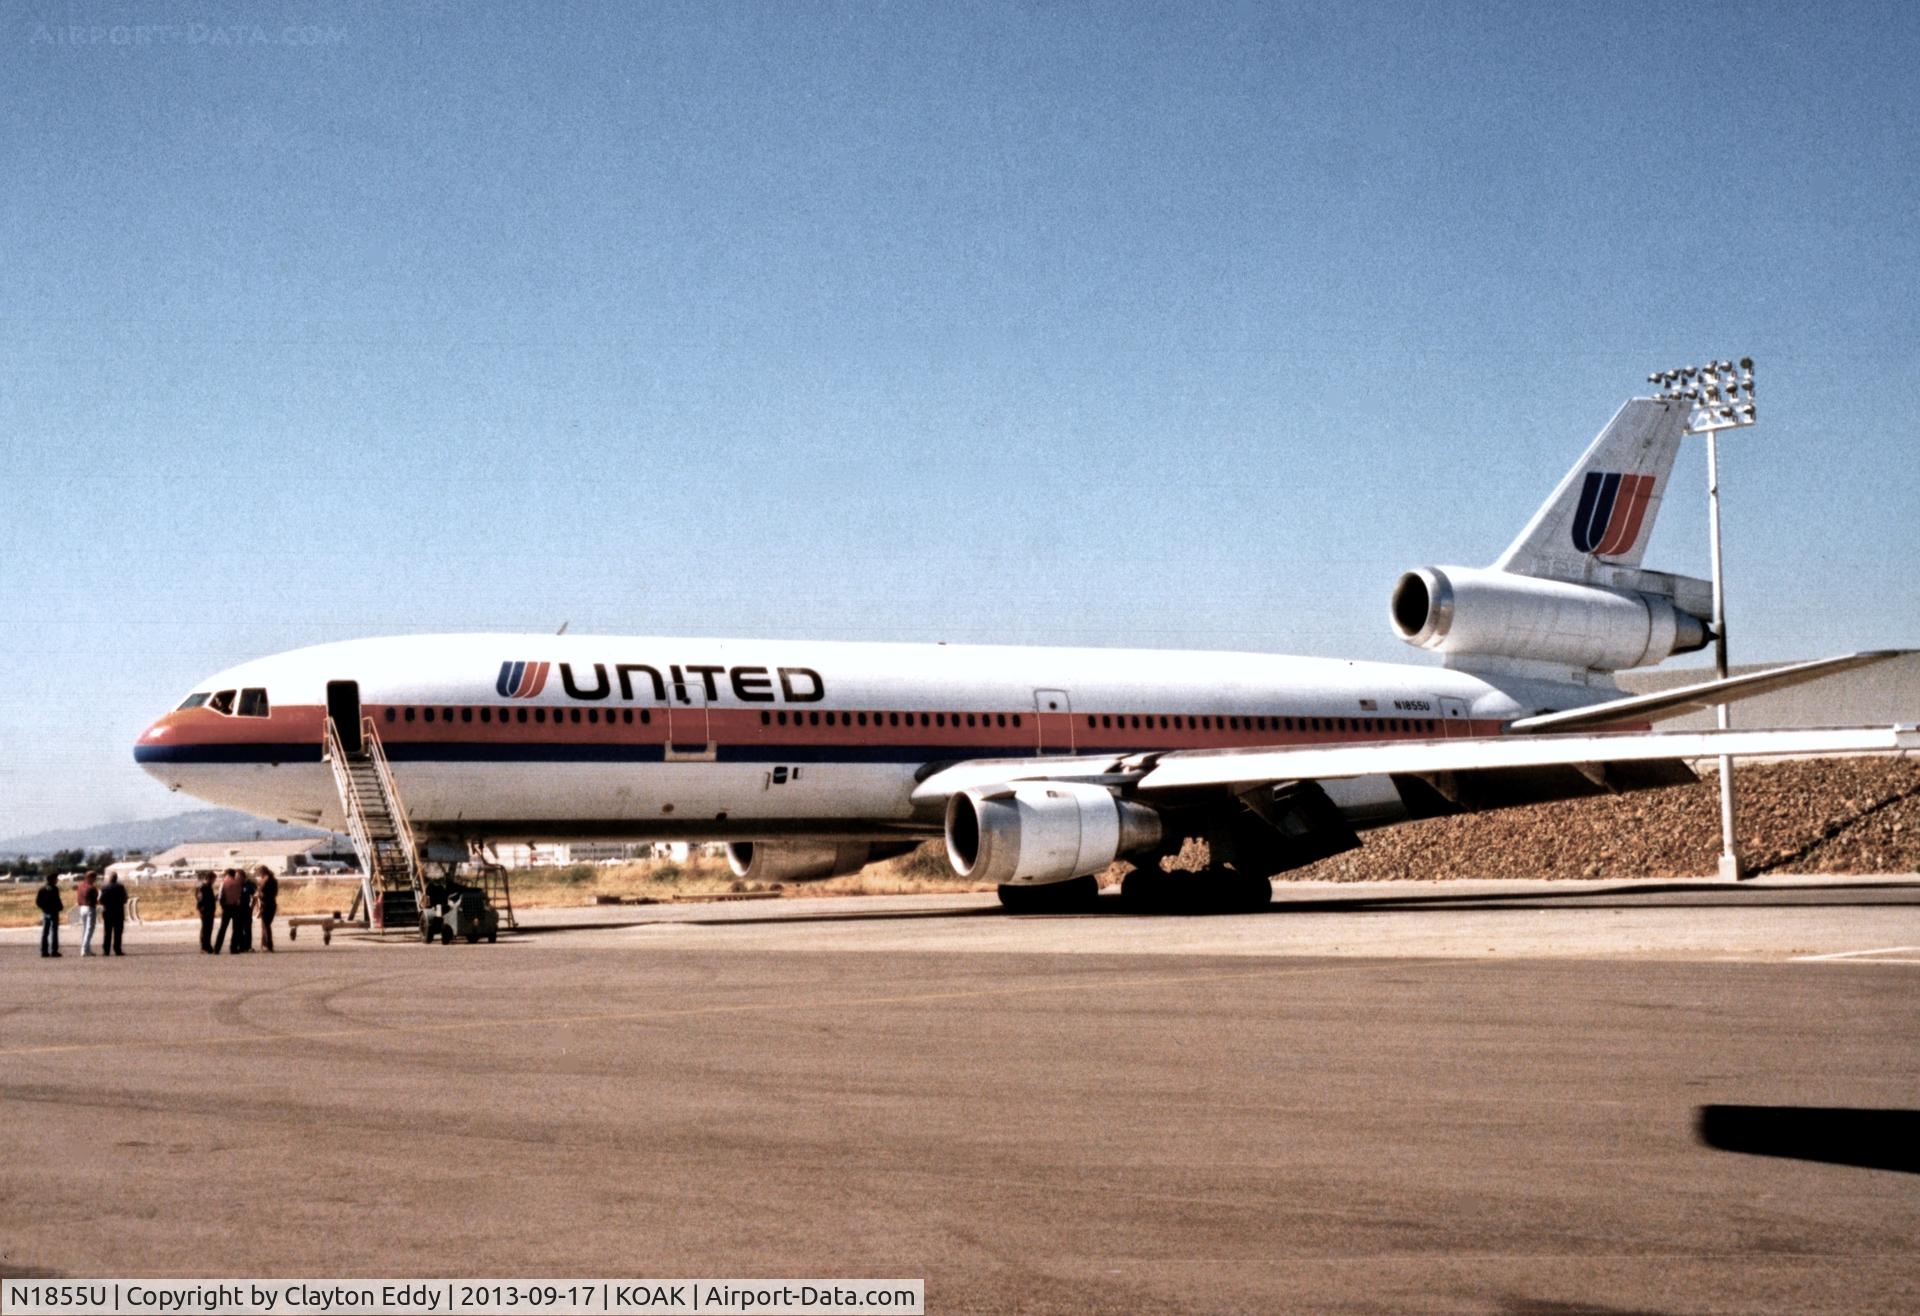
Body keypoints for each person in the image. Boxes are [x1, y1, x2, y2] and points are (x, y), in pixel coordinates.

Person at [214, 869, 244, 954]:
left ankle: (217, 948)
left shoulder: (224, 882)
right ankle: (233, 948)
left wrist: (222, 906)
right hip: (235, 907)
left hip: (226, 908)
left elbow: (220, 896)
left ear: (227, 874)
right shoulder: (238, 883)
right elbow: (239, 896)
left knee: (222, 929)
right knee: (236, 929)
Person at [99, 872, 129, 956]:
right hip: (118, 911)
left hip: (107, 911)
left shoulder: (104, 887)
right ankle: (117, 949)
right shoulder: (121, 887)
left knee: (107, 931)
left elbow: (100, 900)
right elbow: (125, 899)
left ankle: (106, 950)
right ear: (116, 878)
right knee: (118, 932)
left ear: (109, 878)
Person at [36, 874, 64, 957]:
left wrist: (44, 908)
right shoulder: (54, 889)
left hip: (45, 912)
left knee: (45, 932)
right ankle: (54, 950)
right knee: (54, 932)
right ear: (52, 879)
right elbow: (57, 899)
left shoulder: (42, 889)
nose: (57, 880)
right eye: (56, 879)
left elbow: (38, 901)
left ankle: (44, 951)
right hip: (53, 912)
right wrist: (60, 907)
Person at [254, 865, 279, 953]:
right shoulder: (274, 880)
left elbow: (261, 893)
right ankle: (265, 944)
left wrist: (257, 894)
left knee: (265, 925)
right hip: (272, 904)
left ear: (262, 873)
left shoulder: (264, 881)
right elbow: (275, 893)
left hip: (265, 904)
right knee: (266, 925)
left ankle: (268, 945)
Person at [75, 871, 100, 957]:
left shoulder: (80, 886)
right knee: (89, 930)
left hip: (82, 908)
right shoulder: (92, 888)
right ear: (90, 878)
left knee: (85, 929)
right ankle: (84, 949)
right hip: (90, 908)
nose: (95, 880)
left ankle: (87, 949)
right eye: (94, 878)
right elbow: (96, 899)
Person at [236, 869, 259, 952]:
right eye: (236, 876)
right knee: (238, 929)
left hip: (246, 909)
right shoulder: (234, 885)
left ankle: (248, 946)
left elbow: (256, 895)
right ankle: (241, 946)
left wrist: (253, 906)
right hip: (237, 910)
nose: (237, 878)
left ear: (243, 877)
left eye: (238, 876)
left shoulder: (249, 885)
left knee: (247, 929)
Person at [195, 872, 217, 953]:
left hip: (210, 910)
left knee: (209, 929)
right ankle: (204, 947)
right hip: (205, 911)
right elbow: (200, 899)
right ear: (208, 878)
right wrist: (200, 910)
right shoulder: (202, 887)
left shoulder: (208, 887)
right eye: (213, 879)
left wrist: (215, 898)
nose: (214, 881)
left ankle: (208, 946)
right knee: (205, 929)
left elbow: (209, 899)